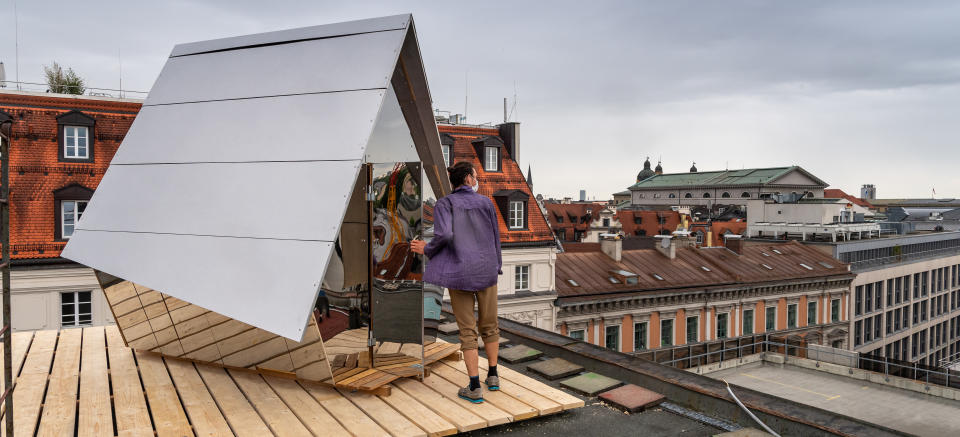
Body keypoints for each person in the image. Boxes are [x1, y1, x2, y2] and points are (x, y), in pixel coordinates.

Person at [410, 161, 502, 403]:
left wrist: (426, 248)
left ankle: (474, 386)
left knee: (467, 330)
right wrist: (496, 265)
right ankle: (493, 376)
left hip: (460, 271)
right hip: (487, 269)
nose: (476, 179)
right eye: (475, 175)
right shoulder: (486, 203)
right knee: (490, 325)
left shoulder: (445, 204)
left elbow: (445, 235)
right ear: (470, 179)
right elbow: (495, 237)